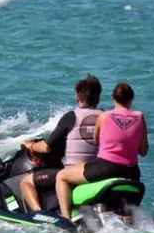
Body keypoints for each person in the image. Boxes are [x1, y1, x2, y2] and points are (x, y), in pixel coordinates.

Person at [54, 82, 148, 222]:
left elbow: (96, 141)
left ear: (113, 99)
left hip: (106, 168)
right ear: (131, 100)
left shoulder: (104, 116)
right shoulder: (140, 117)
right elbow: (143, 151)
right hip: (132, 172)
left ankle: (66, 218)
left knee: (61, 176)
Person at [18, 73, 102, 211]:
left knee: (26, 183)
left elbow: (46, 148)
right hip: (99, 171)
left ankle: (40, 215)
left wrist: (30, 145)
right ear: (98, 98)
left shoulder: (71, 117)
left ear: (78, 97)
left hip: (74, 174)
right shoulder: (105, 117)